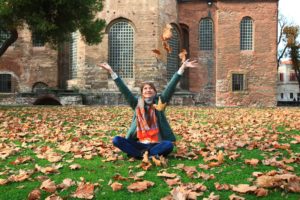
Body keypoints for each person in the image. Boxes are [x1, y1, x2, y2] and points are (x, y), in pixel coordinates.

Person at [98, 59, 197, 159]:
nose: (148, 90)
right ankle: (146, 155)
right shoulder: (136, 103)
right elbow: (124, 90)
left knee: (168, 145)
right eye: (145, 88)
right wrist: (111, 72)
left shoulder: (160, 103)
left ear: (155, 92)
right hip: (140, 143)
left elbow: (170, 87)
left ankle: (141, 154)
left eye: (150, 88)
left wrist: (182, 68)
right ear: (142, 93)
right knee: (116, 140)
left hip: (157, 143)